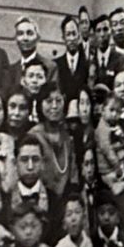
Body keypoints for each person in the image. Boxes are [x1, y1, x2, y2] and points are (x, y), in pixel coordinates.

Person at [28, 82, 78, 210]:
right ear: (40, 104)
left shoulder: (67, 135)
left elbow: (72, 172)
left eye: (58, 101)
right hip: (40, 201)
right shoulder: (34, 136)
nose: (54, 106)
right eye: (49, 101)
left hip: (65, 202)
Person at [6, 16, 56, 96]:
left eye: (29, 33)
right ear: (15, 39)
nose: (25, 38)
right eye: (20, 33)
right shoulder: (11, 71)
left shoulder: (50, 67)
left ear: (38, 38)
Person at [55, 15, 89, 104]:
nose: (72, 38)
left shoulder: (87, 63)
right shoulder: (56, 65)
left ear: (79, 36)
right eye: (68, 34)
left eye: (74, 33)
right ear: (63, 38)